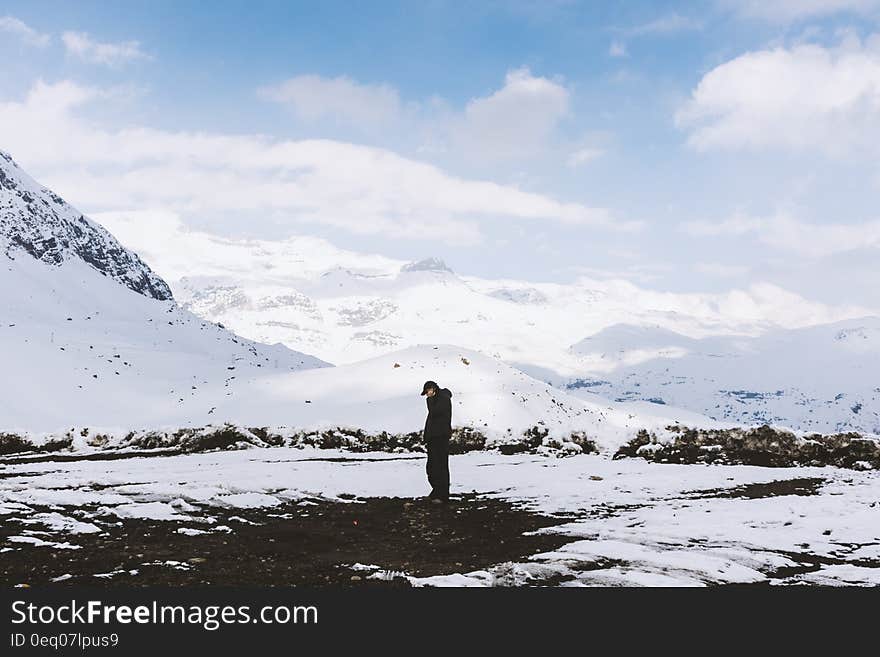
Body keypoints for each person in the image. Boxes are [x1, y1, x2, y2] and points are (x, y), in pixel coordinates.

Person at [421, 380, 452, 503]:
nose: (427, 395)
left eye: (427, 391)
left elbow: (435, 412)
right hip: (433, 439)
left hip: (441, 438)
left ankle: (442, 495)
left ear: (433, 389)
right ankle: (436, 492)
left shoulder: (443, 399)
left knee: (440, 467)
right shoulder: (435, 400)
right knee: (432, 468)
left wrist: (430, 400)